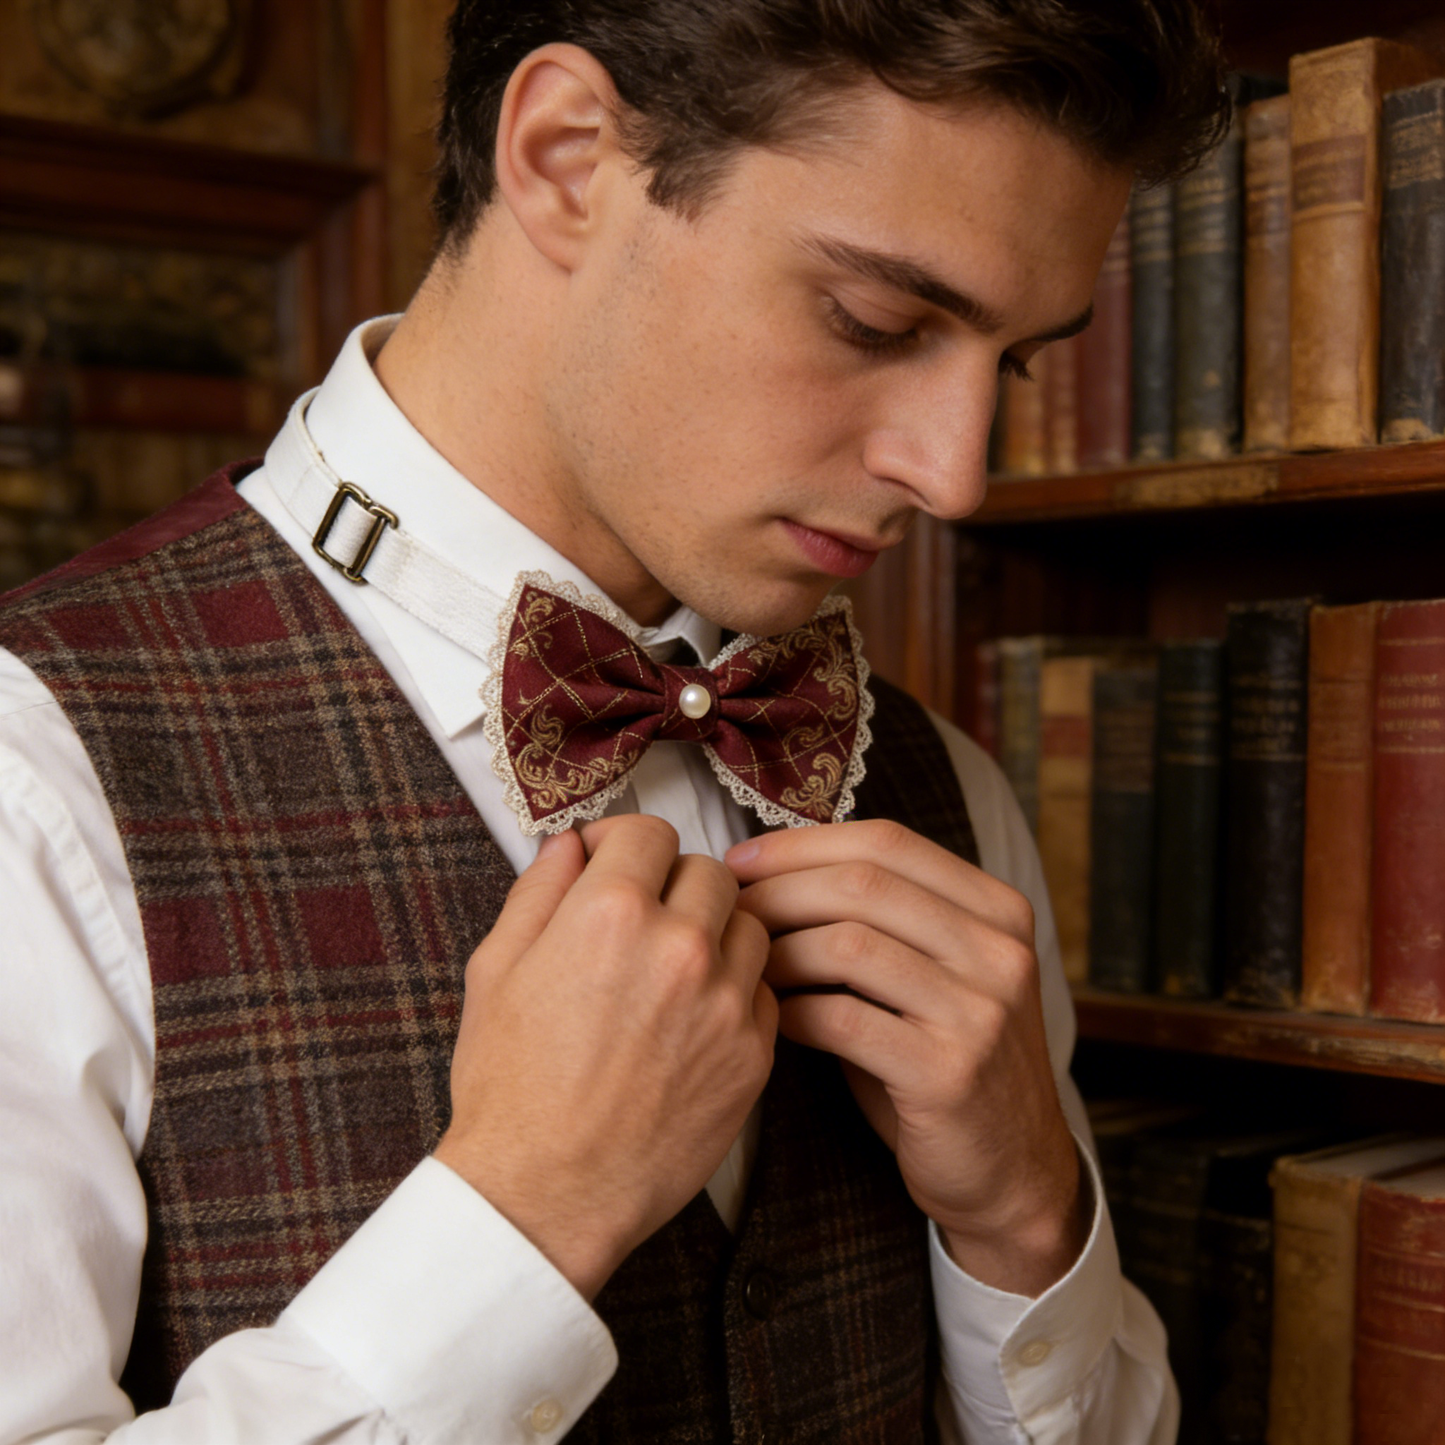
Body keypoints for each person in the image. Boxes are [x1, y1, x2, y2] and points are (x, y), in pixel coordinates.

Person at [0, 1, 1229, 1440]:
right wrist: (524, 1218)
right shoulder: (37, 779)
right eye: (876, 321)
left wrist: (1026, 1222)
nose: (955, 474)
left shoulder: (936, 781)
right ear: (570, 155)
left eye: (1011, 363)